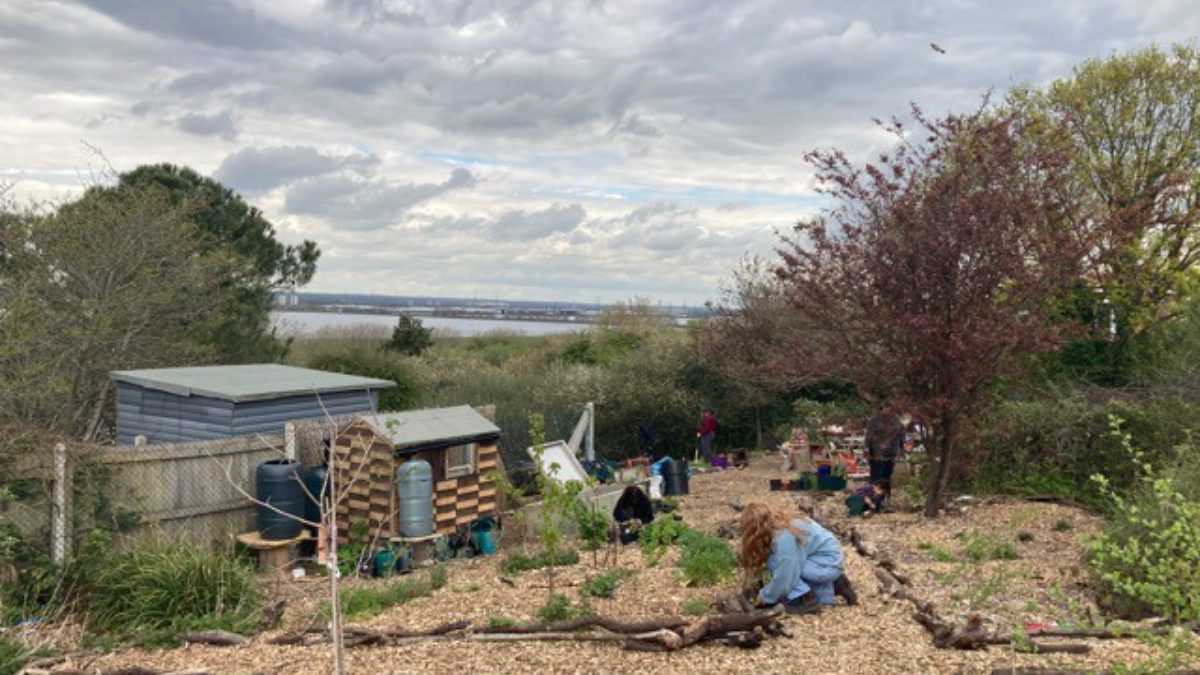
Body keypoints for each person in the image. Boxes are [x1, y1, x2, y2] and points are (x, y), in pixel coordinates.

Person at [738, 503, 857, 614]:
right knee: (778, 563)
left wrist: (764, 597)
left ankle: (806, 599)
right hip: (825, 559)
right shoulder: (779, 523)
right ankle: (835, 584)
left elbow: (785, 574)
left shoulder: (784, 538)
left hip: (827, 564)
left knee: (777, 564)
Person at [864, 404, 904, 507]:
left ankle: (887, 500)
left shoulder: (896, 421)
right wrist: (867, 449)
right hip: (877, 454)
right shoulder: (874, 420)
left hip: (891, 454)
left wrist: (901, 449)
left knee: (887, 478)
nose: (888, 409)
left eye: (890, 407)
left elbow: (901, 435)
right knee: (876, 478)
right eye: (886, 407)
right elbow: (869, 435)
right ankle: (874, 502)